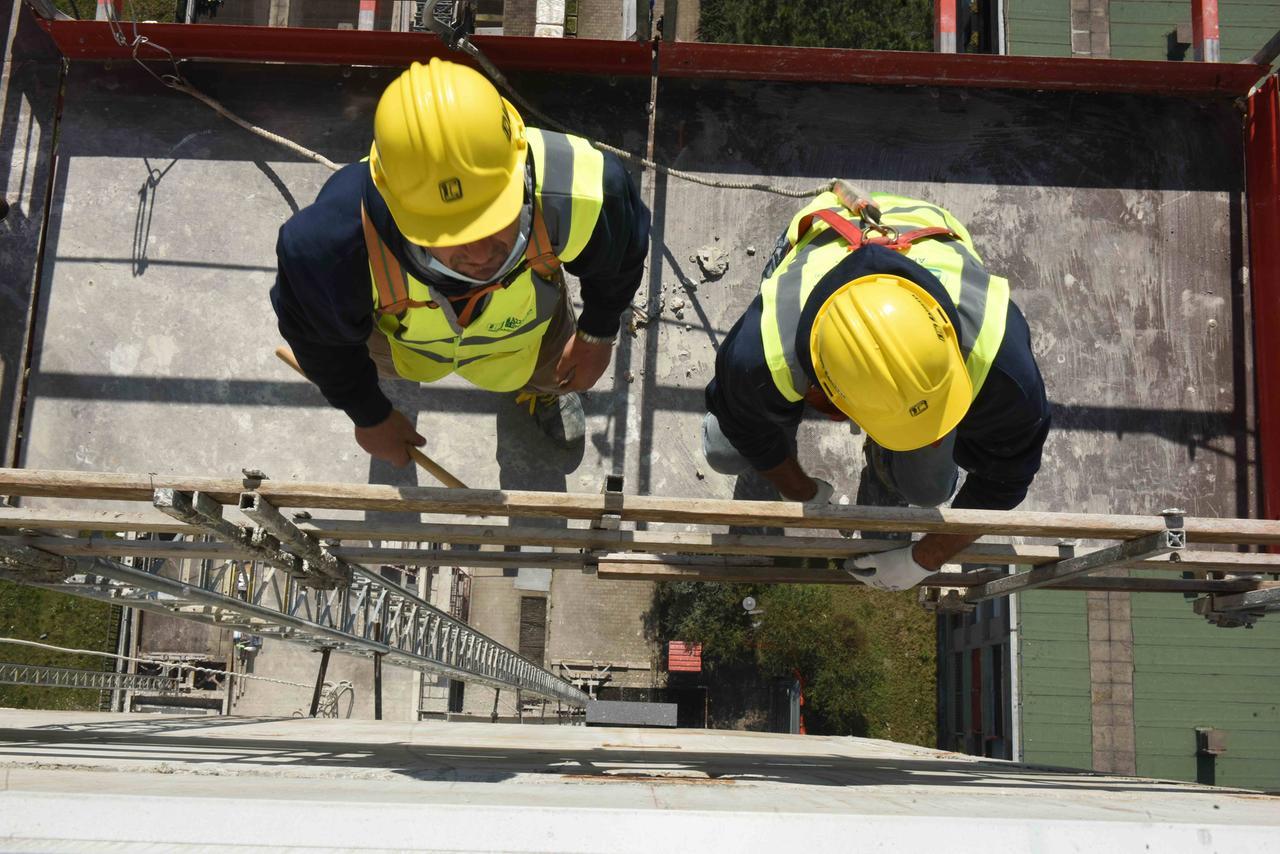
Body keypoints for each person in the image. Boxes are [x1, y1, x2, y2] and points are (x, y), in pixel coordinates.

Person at [272, 59, 649, 465]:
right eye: (449, 236)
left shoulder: (588, 192)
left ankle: (542, 392)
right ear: (395, 207)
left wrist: (596, 334)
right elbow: (322, 343)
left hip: (528, 334)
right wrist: (369, 413)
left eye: (496, 217)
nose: (484, 254)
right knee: (365, 360)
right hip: (405, 346)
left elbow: (618, 261)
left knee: (551, 368)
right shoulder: (330, 251)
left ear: (519, 166)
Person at [703, 185, 1050, 591]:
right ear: (829, 395)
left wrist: (925, 559)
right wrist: (801, 490)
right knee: (724, 448)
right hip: (826, 229)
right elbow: (746, 430)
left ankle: (885, 466)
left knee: (927, 490)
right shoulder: (761, 354)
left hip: (924, 225)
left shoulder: (1001, 361)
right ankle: (784, 426)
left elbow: (1006, 480)